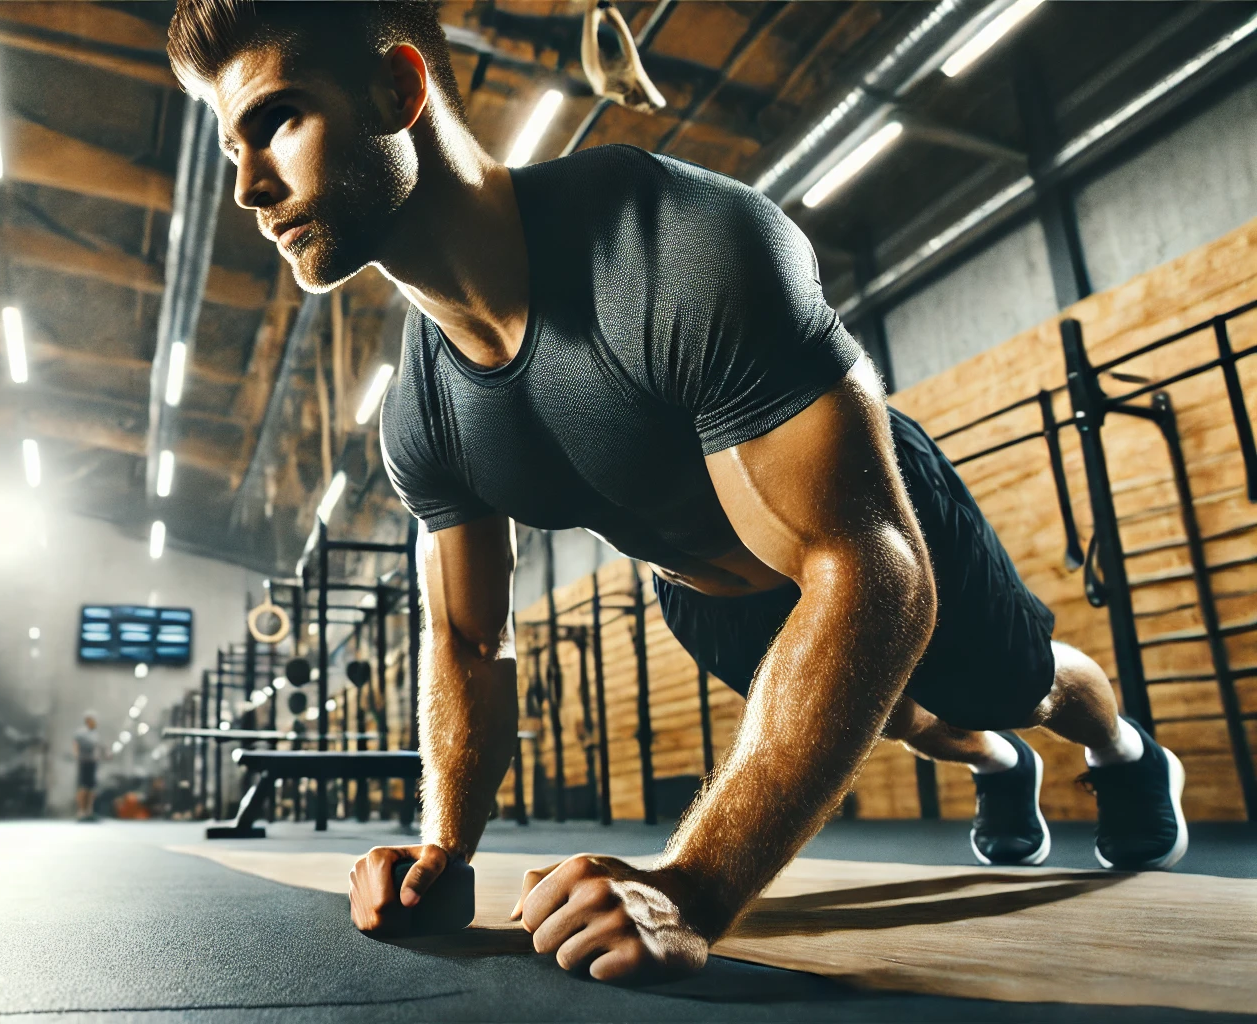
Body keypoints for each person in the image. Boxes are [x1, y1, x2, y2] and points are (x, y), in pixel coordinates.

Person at [166, 1, 1188, 982]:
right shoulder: (421, 412)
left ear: (396, 89)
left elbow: (868, 569)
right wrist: (444, 853)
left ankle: (1124, 751)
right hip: (707, 596)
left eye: (276, 120)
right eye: (230, 150)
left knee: (1021, 690)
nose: (249, 186)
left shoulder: (676, 244)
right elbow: (473, 642)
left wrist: (692, 885)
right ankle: (999, 766)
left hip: (871, 527)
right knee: (901, 719)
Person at [74, 712, 100, 822]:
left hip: (92, 762)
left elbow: (96, 747)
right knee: (83, 787)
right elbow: (75, 744)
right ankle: (81, 811)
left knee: (91, 788)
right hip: (84, 761)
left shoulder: (95, 734)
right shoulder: (81, 733)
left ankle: (89, 811)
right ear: (88, 720)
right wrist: (77, 756)